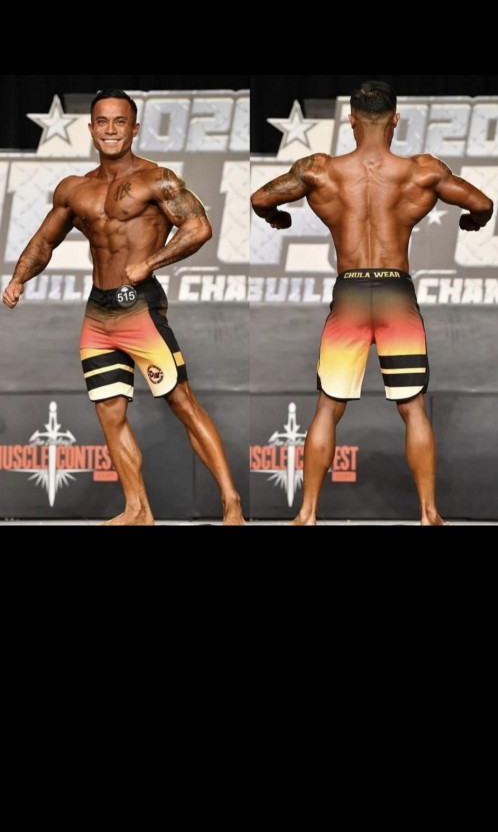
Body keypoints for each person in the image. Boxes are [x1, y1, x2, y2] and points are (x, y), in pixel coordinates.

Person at [251, 80, 494, 526]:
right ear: (395, 119)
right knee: (412, 407)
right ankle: (429, 514)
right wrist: (472, 223)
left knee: (328, 407)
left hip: (349, 294)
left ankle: (306, 514)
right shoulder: (422, 171)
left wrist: (278, 216)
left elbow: (260, 198)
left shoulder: (319, 170)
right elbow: (482, 203)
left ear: (351, 120)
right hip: (395, 294)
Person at [2, 88, 245, 526]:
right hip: (98, 314)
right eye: (102, 121)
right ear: (91, 128)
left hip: (140, 308)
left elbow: (199, 227)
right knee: (110, 413)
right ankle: (137, 508)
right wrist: (19, 278)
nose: (110, 130)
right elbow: (44, 242)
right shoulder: (74, 189)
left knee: (183, 404)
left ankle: (231, 503)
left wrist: (150, 263)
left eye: (119, 122)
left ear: (134, 129)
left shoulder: (157, 179)